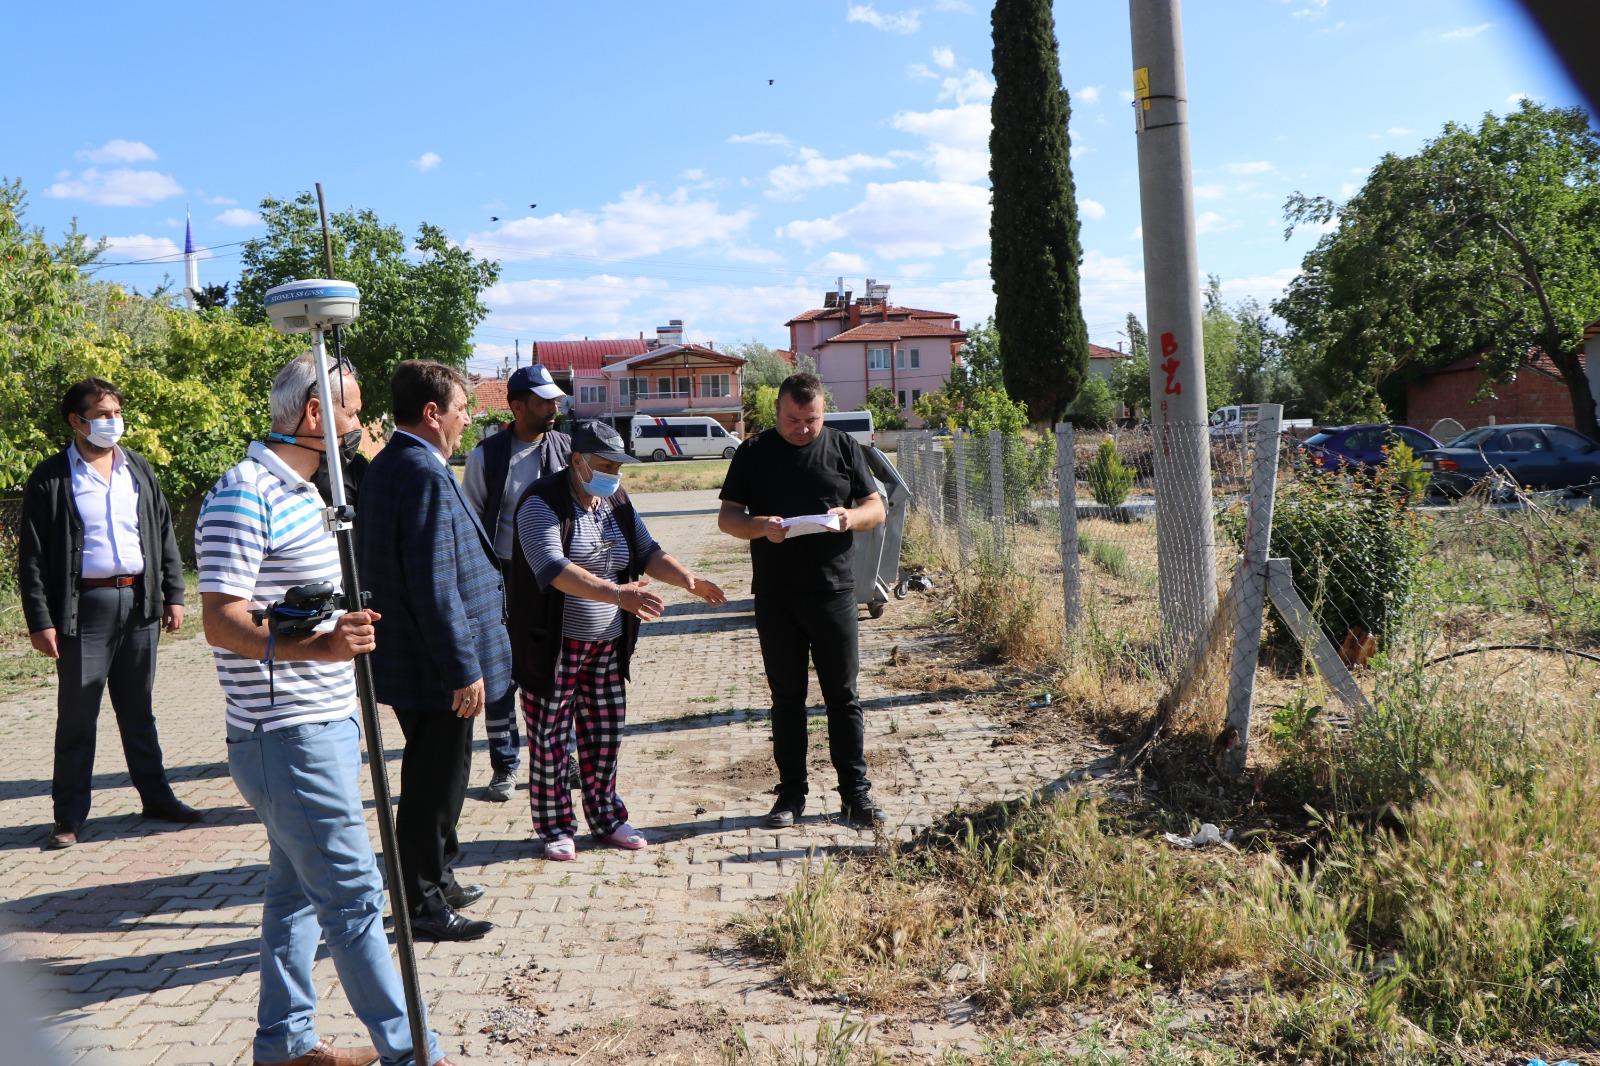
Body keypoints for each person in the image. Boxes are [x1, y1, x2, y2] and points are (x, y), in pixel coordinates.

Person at [196, 352, 452, 1066]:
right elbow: (221, 620)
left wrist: (336, 633)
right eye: (350, 411)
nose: (359, 425)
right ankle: (414, 1054)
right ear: (314, 415)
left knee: (297, 895)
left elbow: (295, 612)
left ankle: (285, 1044)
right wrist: (321, 648)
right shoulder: (242, 495)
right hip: (285, 735)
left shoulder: (309, 492)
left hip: (324, 725)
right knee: (355, 899)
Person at [508, 419, 725, 859]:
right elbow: (551, 568)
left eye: (619, 466)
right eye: (605, 464)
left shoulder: (615, 500)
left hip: (606, 644)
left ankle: (607, 817)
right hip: (553, 645)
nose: (614, 474)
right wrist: (617, 594)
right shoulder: (540, 503)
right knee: (550, 740)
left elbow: (646, 551)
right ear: (577, 462)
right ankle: (554, 827)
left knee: (604, 736)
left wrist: (689, 580)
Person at [355, 360, 510, 943]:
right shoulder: (419, 471)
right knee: (433, 783)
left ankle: (438, 877)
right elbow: (433, 581)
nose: (467, 419)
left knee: (441, 775)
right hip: (433, 665)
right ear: (432, 413)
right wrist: (462, 668)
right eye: (462, 408)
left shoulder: (399, 464)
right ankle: (421, 903)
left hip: (420, 659)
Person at [18, 377, 199, 850]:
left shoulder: (136, 468)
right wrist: (41, 620)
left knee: (139, 709)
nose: (112, 422)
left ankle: (157, 799)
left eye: (116, 413)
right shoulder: (53, 477)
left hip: (138, 602)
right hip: (84, 608)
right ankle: (69, 817)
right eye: (101, 415)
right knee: (78, 716)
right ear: (76, 421)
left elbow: (161, 534)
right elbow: (33, 558)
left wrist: (174, 594)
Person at [717, 373, 888, 830]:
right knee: (787, 698)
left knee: (843, 697)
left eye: (811, 420)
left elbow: (877, 507)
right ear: (777, 412)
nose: (803, 428)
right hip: (776, 596)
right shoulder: (754, 452)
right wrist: (760, 527)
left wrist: (849, 517)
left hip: (833, 591)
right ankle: (791, 794)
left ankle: (855, 795)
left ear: (823, 412)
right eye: (794, 419)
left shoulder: (843, 447)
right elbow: (728, 517)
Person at [461, 363, 572, 802]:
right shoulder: (486, 456)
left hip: (559, 575)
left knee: (560, 670)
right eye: (543, 401)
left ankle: (567, 758)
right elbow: (470, 525)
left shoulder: (567, 449)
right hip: (503, 579)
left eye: (554, 401)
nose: (552, 408)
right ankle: (505, 765)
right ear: (516, 405)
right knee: (500, 674)